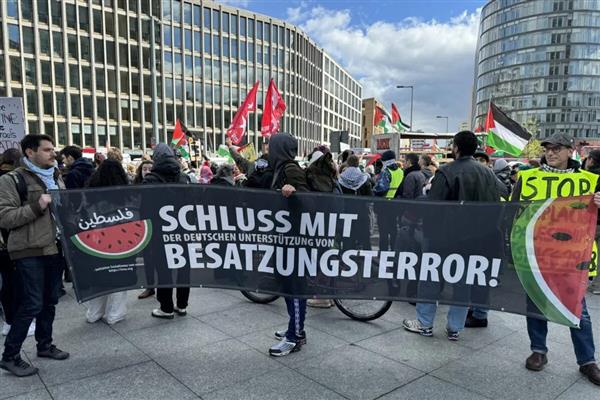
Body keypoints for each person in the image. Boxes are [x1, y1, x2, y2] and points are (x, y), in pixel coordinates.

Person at [511, 133, 600, 385]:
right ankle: (538, 351)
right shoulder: (528, 178)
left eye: (557, 148)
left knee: (578, 309)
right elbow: (512, 212)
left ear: (570, 151)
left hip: (573, 257)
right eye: (548, 148)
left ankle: (587, 361)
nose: (551, 152)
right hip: (537, 254)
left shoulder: (590, 181)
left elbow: (595, 222)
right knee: (536, 303)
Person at [403, 131, 500, 341]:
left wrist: (421, 199)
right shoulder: (487, 173)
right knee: (463, 282)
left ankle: (424, 323)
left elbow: (434, 205)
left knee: (430, 278)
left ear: (455, 147)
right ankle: (455, 327)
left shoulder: (447, 172)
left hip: (442, 237)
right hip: (475, 239)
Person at [0, 134, 69, 377]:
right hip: (28, 250)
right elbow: (5, 217)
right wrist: (37, 205)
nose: (53, 154)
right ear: (30, 152)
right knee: (32, 303)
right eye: (47, 150)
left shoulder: (56, 177)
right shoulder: (12, 179)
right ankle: (10, 356)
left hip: (55, 248)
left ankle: (45, 345)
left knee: (50, 300)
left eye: (54, 150)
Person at [268, 133, 310, 357]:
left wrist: (294, 193)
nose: (268, 148)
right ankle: (296, 328)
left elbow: (308, 199)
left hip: (294, 240)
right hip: (284, 237)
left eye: (271, 145)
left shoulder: (291, 169)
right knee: (288, 285)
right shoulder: (280, 167)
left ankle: (294, 336)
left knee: (294, 287)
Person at [143, 144, 191, 319]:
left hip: (160, 231)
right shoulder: (184, 178)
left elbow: (145, 209)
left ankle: (166, 307)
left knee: (163, 268)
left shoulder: (150, 180)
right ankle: (182, 305)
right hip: (182, 229)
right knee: (183, 266)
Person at [84, 160, 131, 325]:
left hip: (94, 238)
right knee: (120, 276)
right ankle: (115, 314)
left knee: (98, 276)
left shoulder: (90, 189)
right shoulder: (125, 191)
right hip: (122, 239)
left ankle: (94, 313)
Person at [0, 149, 35, 338]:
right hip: (12, 239)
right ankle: (15, 322)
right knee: (18, 283)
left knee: (7, 283)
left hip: (5, 242)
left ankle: (9, 320)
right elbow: (8, 216)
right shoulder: (12, 181)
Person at [133, 160, 155, 299]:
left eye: (149, 169)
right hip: (141, 225)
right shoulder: (136, 185)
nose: (146, 171)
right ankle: (150, 286)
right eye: (144, 169)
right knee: (147, 258)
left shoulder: (157, 184)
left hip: (155, 224)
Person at [584, 150, 600, 295]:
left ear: (591, 160)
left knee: (585, 249)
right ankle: (596, 284)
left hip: (591, 220)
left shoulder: (589, 177)